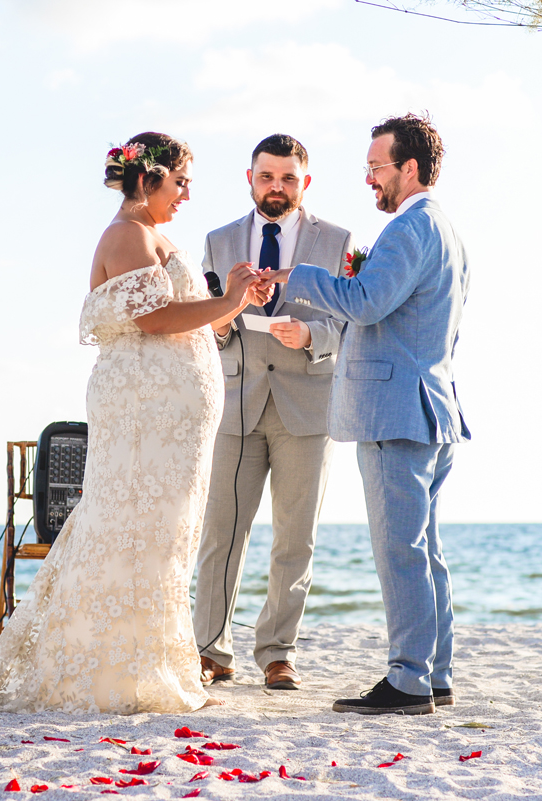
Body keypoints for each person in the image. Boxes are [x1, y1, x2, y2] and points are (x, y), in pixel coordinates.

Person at [0, 132, 270, 714]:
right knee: (132, 529)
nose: (186, 193)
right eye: (180, 181)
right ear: (148, 177)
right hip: (143, 414)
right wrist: (229, 301)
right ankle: (114, 672)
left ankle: (150, 661)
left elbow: (183, 324)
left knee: (164, 536)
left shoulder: (155, 234)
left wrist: (234, 303)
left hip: (171, 418)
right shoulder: (128, 234)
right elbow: (155, 320)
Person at [260, 114, 470, 715]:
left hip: (396, 412)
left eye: (377, 168)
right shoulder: (445, 228)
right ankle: (436, 674)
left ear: (409, 168)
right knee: (425, 550)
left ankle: (408, 680)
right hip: (433, 406)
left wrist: (295, 278)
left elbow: (366, 301)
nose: (370, 180)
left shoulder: (409, 230)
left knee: (400, 551)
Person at [193, 134, 352, 692]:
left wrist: (311, 334)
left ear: (304, 183)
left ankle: (278, 652)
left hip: (307, 406)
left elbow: (351, 325)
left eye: (288, 178)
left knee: (295, 538)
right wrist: (221, 318)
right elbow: (207, 326)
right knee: (221, 532)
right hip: (235, 404)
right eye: (267, 177)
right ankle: (211, 650)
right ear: (250, 178)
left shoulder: (338, 242)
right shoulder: (217, 241)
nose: (277, 187)